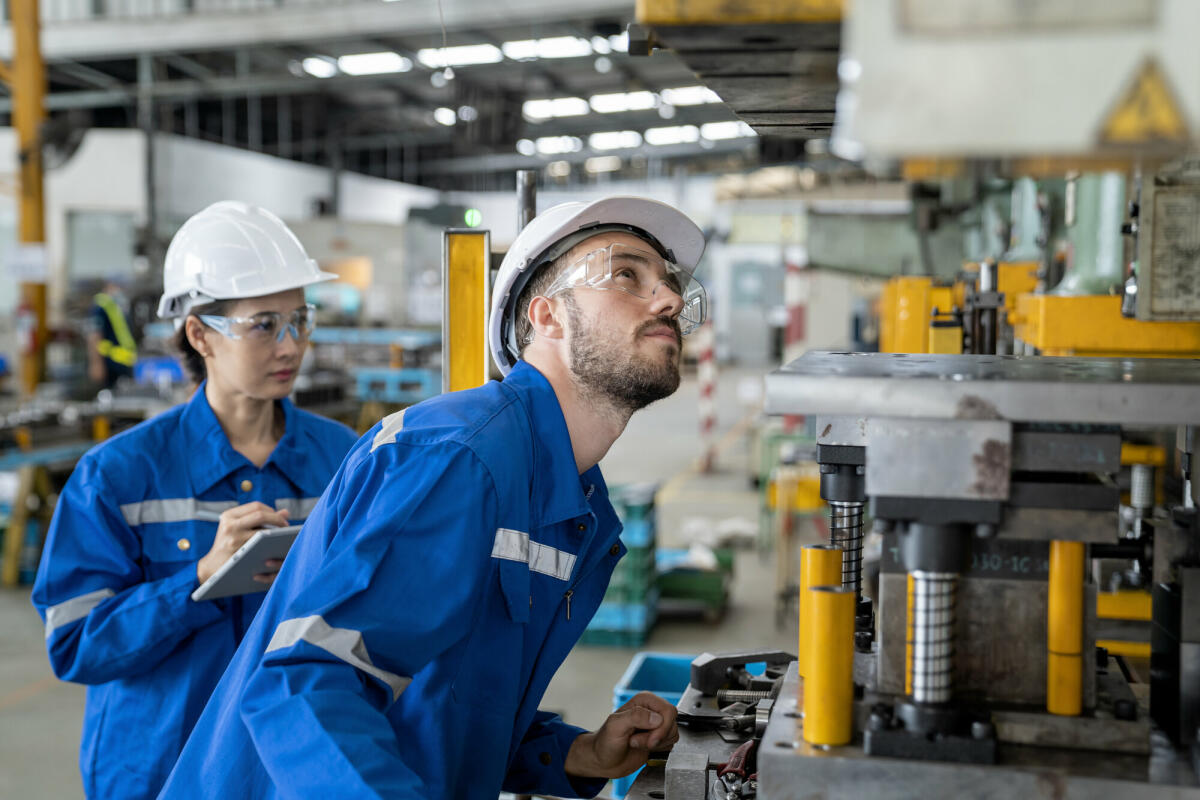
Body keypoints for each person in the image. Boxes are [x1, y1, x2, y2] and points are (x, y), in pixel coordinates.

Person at [159, 196, 709, 798]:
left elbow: (448, 710)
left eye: (670, 284)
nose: (670, 300)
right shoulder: (461, 459)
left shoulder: (576, 510)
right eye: (627, 274)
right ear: (547, 316)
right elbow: (305, 689)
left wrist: (577, 754)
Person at [32, 201, 359, 800]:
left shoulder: (344, 459)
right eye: (264, 324)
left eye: (300, 320)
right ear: (200, 334)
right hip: (159, 771)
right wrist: (200, 578)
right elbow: (75, 644)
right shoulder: (117, 475)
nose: (291, 346)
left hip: (290, 768)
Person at [87, 277, 137, 388]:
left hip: (123, 363)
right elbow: (94, 335)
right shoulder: (101, 305)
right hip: (109, 364)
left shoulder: (117, 306)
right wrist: (96, 364)